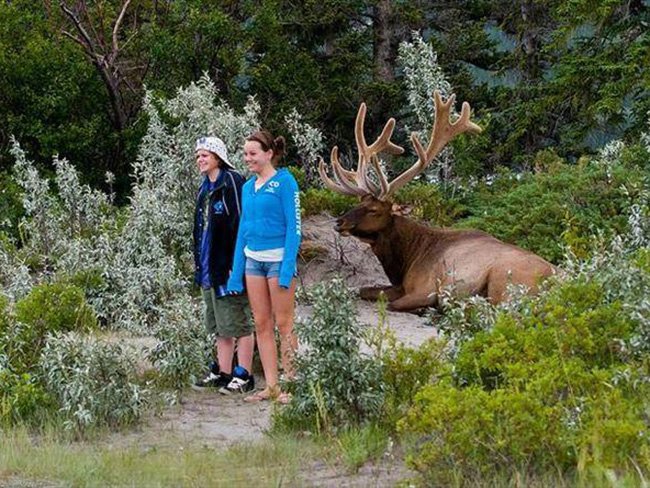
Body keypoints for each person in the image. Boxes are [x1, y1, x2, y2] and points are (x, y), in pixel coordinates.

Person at [227, 130, 301, 403]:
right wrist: (237, 274)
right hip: (253, 262)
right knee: (261, 323)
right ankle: (271, 385)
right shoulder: (248, 187)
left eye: (253, 154)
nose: (248, 159)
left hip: (278, 260)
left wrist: (286, 268)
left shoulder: (285, 183)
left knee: (284, 323)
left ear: (269, 153)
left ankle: (292, 384)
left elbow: (294, 229)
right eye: (245, 154)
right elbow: (243, 231)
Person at [192, 136, 256, 395]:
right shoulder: (204, 188)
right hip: (209, 267)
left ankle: (245, 375)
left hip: (228, 266)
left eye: (205, 155)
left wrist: (236, 266)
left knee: (238, 321)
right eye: (198, 156)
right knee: (219, 324)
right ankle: (224, 371)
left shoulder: (231, 181)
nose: (200, 160)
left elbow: (240, 224)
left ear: (218, 156)